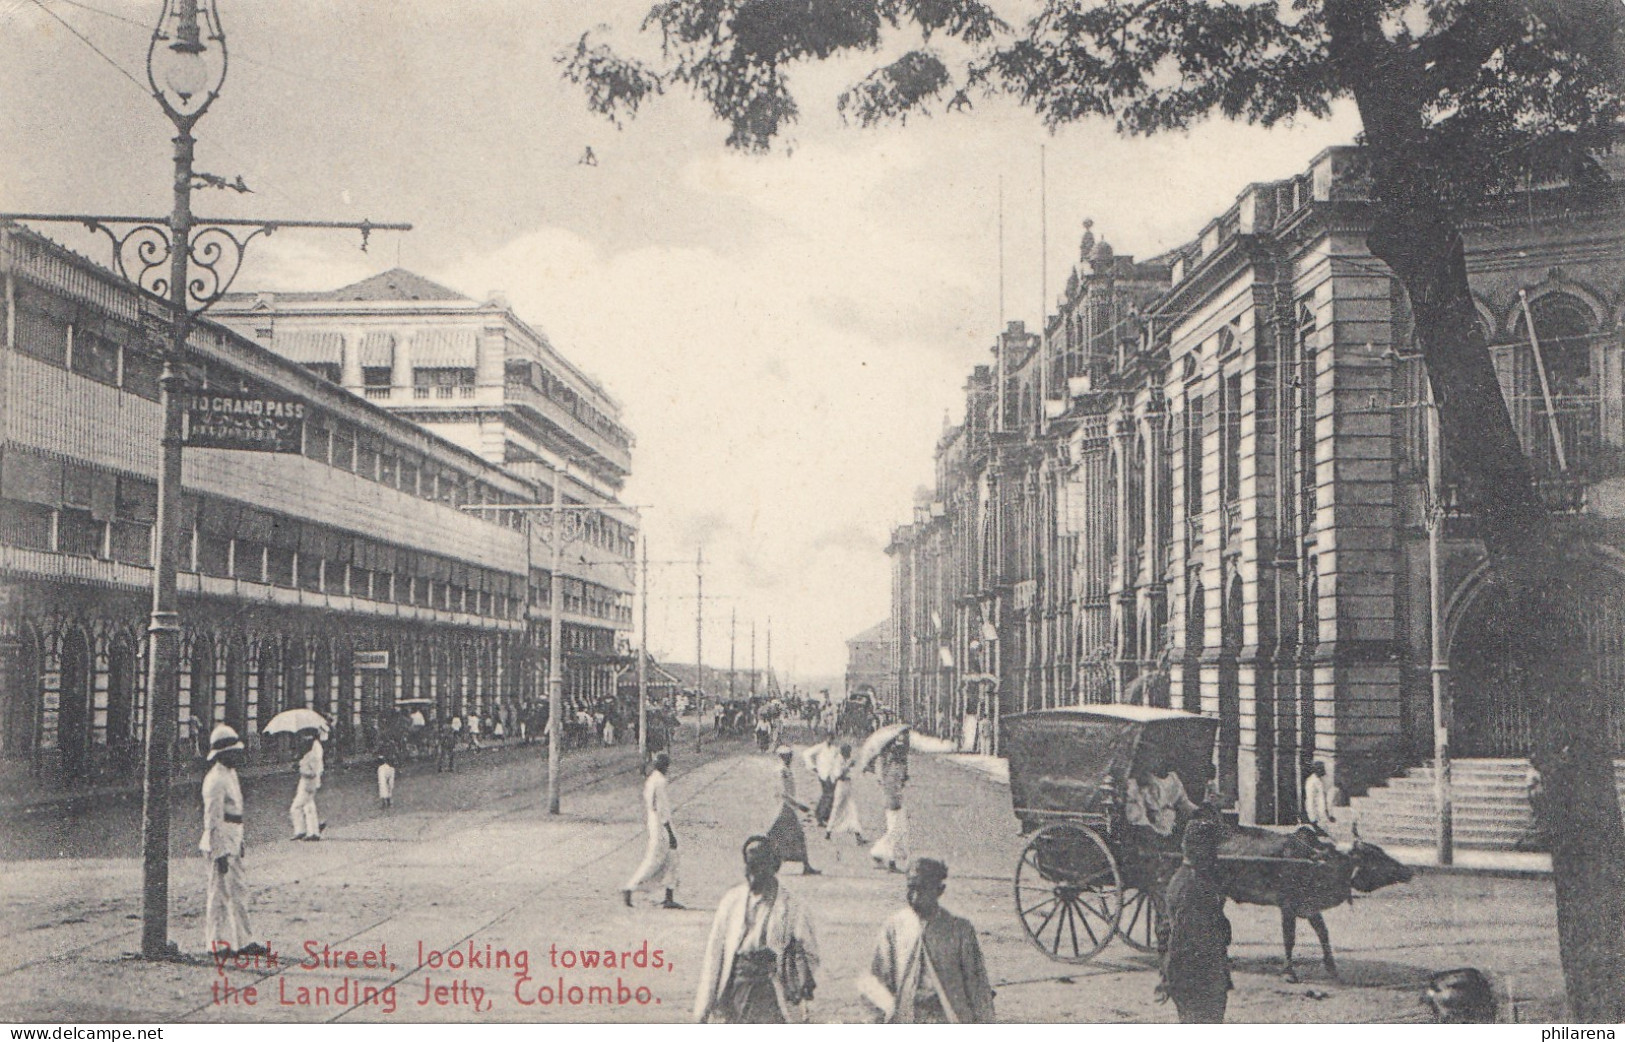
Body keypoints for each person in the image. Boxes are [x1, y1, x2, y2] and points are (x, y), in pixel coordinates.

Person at [694, 836, 819, 1023]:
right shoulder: (731, 901)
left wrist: (793, 977)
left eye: (758, 866)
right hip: (735, 991)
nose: (751, 873)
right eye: (748, 865)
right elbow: (714, 956)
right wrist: (702, 1010)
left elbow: (810, 956)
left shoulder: (793, 907)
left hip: (771, 993)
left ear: (773, 867)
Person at [858, 858, 995, 1023]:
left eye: (923, 889)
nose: (915, 896)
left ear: (939, 890)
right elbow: (878, 980)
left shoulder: (960, 930)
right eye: (911, 888)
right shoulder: (894, 927)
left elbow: (977, 985)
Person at [200, 725, 266, 957]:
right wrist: (218, 853)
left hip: (233, 837)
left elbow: (236, 813)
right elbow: (213, 819)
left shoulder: (230, 773)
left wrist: (240, 841)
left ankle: (244, 940)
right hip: (220, 841)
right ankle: (215, 943)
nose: (239, 755)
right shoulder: (215, 780)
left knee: (238, 890)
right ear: (222, 753)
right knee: (218, 893)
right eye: (234, 751)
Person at [1157, 818, 1233, 1023]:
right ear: (1200, 850)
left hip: (1199, 976)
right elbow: (1182, 941)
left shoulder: (1190, 878)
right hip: (1198, 979)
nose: (1215, 854)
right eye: (1211, 848)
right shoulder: (1192, 886)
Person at [622, 752, 683, 909]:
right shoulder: (660, 782)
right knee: (654, 860)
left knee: (673, 858)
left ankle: (669, 896)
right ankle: (630, 887)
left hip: (655, 821)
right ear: (664, 766)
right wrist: (670, 832)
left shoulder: (651, 780)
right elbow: (661, 808)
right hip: (661, 825)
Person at [1125, 753, 1199, 853]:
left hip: (1170, 830)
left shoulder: (1173, 779)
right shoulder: (1137, 784)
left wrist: (1199, 812)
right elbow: (1137, 816)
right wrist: (1151, 829)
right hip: (1149, 834)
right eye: (1151, 758)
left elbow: (1183, 802)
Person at [767, 745, 821, 874]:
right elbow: (784, 793)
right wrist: (799, 805)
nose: (789, 759)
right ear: (781, 757)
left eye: (790, 756)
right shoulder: (782, 771)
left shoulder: (785, 770)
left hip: (786, 807)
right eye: (787, 756)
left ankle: (803, 864)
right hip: (784, 807)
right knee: (793, 836)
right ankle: (804, 865)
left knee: (785, 836)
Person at [870, 733, 910, 872]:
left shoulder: (891, 767)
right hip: (893, 802)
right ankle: (881, 854)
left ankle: (884, 856)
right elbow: (892, 787)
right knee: (895, 831)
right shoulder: (892, 768)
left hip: (894, 801)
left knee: (897, 831)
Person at [289, 728, 324, 841]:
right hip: (308, 782)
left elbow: (312, 771)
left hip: (308, 783)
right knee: (309, 806)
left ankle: (301, 830)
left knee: (295, 807)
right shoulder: (310, 752)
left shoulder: (312, 753)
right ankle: (313, 832)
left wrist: (300, 769)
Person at [826, 742, 865, 844]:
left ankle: (858, 835)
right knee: (837, 808)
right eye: (848, 752)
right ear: (844, 752)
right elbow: (839, 775)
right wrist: (848, 766)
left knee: (852, 809)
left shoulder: (843, 760)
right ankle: (828, 831)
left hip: (847, 785)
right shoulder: (838, 761)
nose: (850, 754)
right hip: (841, 786)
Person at [801, 733, 839, 828]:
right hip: (823, 774)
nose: (830, 739)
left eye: (832, 738)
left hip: (832, 775)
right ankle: (820, 816)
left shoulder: (835, 749)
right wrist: (812, 766)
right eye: (828, 737)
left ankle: (823, 815)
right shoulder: (820, 747)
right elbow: (806, 753)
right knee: (828, 794)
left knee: (830, 795)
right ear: (825, 738)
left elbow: (836, 761)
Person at [1302, 761, 1335, 834]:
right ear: (1317, 770)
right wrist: (1313, 819)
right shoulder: (1311, 782)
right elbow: (1310, 801)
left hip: (1323, 817)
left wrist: (1330, 815)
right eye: (1322, 769)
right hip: (1317, 818)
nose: (1324, 771)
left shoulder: (1321, 780)